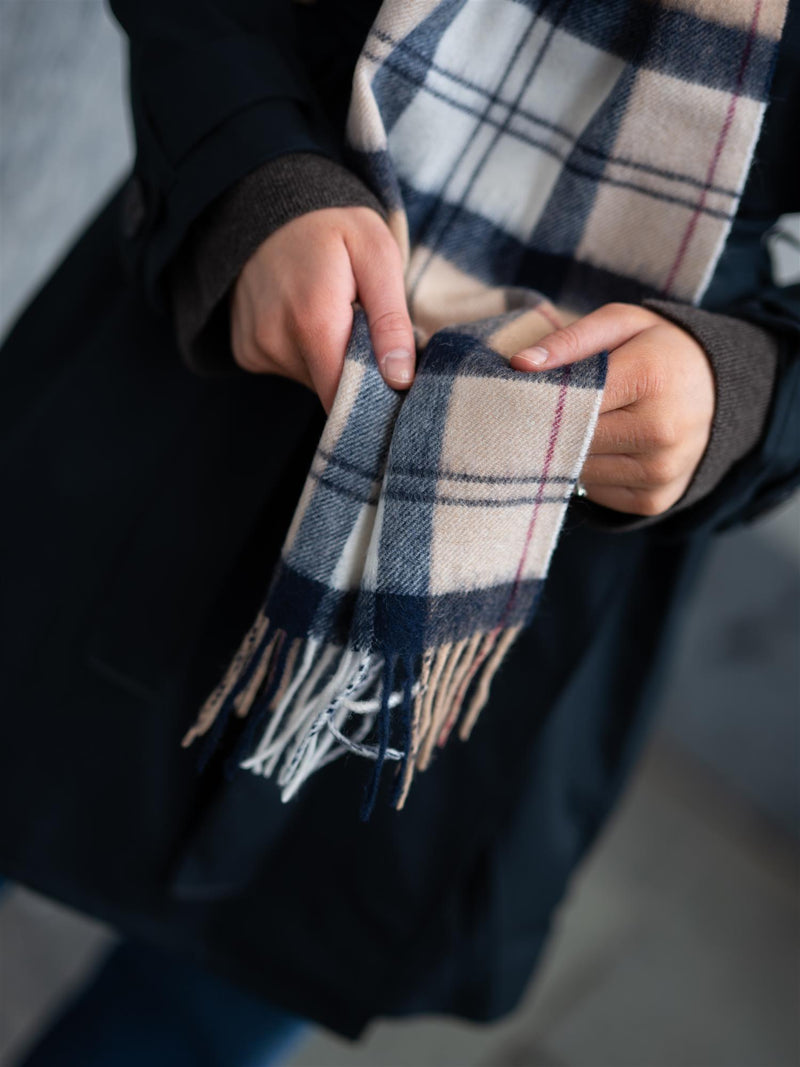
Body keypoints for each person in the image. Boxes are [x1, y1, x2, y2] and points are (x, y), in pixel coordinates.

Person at [1, 1, 798, 1064]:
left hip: (548, 527)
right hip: (220, 317)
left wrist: (739, 397)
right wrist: (250, 168)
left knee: (221, 989)